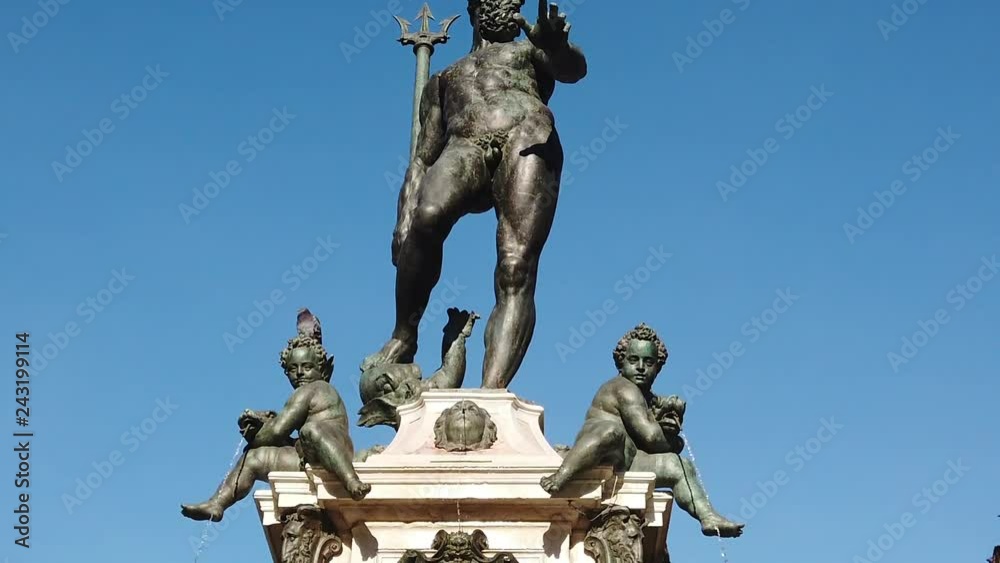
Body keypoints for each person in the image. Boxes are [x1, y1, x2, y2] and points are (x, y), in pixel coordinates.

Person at [363, 0, 587, 390]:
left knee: (515, 265)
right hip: (464, 145)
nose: (505, 6)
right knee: (427, 216)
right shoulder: (444, 79)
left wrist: (557, 47)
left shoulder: (530, 52)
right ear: (475, 10)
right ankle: (404, 333)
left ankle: (492, 391)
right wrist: (403, 215)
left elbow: (571, 69)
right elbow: (422, 158)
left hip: (526, 136)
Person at [541, 324, 744, 538]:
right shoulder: (622, 388)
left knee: (679, 466)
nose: (640, 367)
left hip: (627, 459)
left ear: (658, 367)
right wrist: (673, 441)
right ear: (621, 362)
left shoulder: (647, 397)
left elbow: (658, 435)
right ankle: (562, 475)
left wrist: (672, 424)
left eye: (648, 362)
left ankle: (707, 516)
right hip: (600, 450)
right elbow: (651, 437)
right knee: (611, 432)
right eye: (633, 360)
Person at [181, 310, 369, 522]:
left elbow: (278, 430)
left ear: (323, 370)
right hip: (307, 456)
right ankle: (218, 503)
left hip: (336, 449)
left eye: (307, 367)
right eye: (293, 368)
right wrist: (261, 426)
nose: (299, 373)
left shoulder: (317, 388)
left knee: (311, 430)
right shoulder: (302, 393)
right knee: (254, 458)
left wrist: (257, 434)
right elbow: (280, 430)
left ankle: (351, 480)